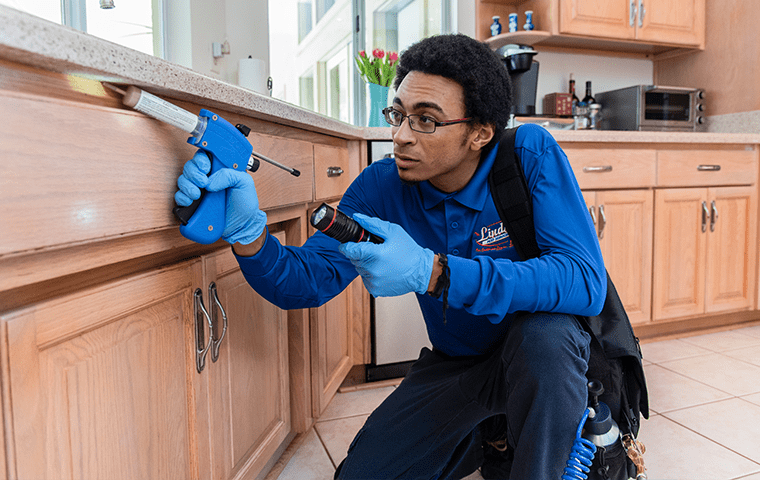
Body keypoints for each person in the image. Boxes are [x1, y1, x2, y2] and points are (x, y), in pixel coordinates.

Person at [175, 34, 606, 480]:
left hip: (542, 359)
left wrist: (434, 272)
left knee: (545, 339)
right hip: (458, 362)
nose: (399, 136)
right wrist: (249, 235)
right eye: (397, 114)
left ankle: (541, 446)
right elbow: (307, 280)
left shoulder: (528, 154)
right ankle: (497, 434)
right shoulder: (382, 185)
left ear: (480, 132)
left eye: (425, 120)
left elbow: (584, 282)